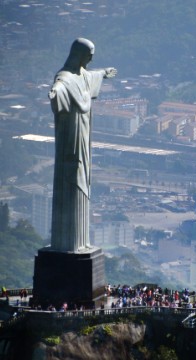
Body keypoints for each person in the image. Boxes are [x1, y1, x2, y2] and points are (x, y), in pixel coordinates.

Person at [48, 38, 117, 252]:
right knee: (72, 177)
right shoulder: (65, 78)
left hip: (84, 137)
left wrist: (104, 72)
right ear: (78, 54)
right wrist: (56, 93)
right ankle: (68, 244)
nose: (91, 59)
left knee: (83, 180)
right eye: (89, 55)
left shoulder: (83, 75)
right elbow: (59, 86)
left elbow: (90, 76)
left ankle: (80, 242)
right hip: (71, 139)